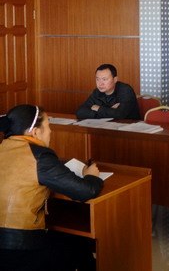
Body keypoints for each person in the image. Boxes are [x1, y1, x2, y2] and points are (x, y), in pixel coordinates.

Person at [0, 104, 104, 271]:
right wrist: (91, 176)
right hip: (20, 251)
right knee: (78, 242)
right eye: (48, 126)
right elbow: (86, 191)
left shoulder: (3, 147)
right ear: (35, 132)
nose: (50, 131)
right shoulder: (39, 155)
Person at [76, 63, 140, 120]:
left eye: (104, 79)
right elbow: (80, 112)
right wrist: (109, 111)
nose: (100, 84)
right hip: (106, 126)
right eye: (97, 79)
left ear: (115, 79)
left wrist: (98, 108)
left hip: (128, 127)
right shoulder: (97, 92)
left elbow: (120, 114)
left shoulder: (126, 90)